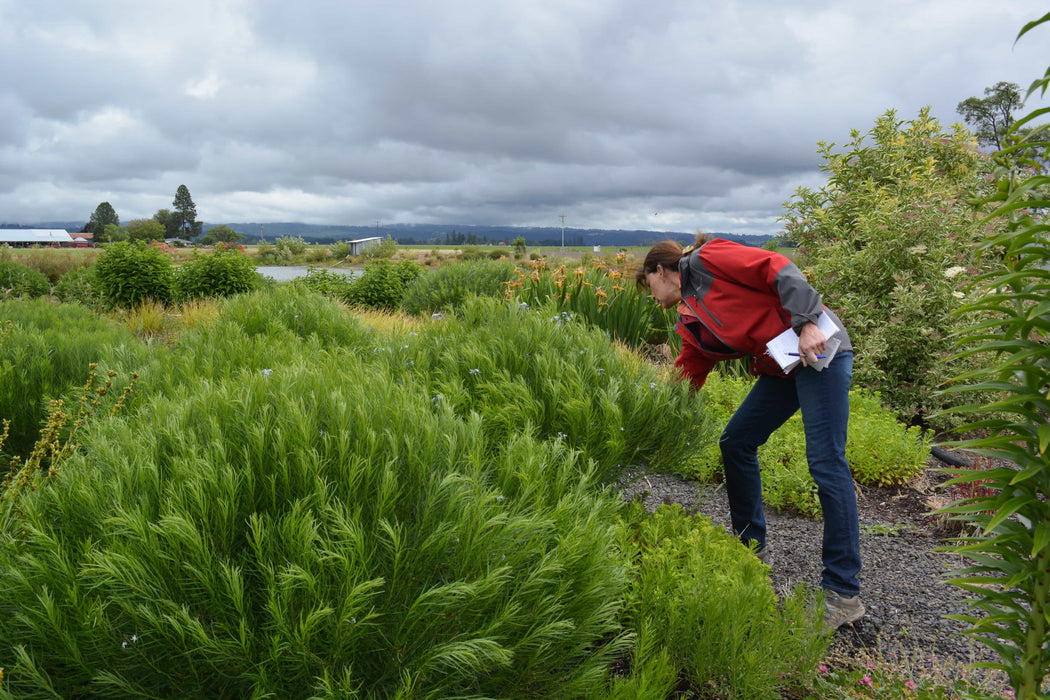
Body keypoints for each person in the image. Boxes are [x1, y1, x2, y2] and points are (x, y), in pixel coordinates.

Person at [636, 232, 864, 630]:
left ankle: (842, 594)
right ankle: (750, 550)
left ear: (660, 271)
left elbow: (778, 268)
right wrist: (651, 421)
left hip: (819, 349)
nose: (651, 297)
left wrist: (808, 322)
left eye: (648, 286)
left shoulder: (709, 259)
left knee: (826, 463)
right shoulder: (693, 315)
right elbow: (690, 366)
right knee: (736, 442)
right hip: (784, 367)